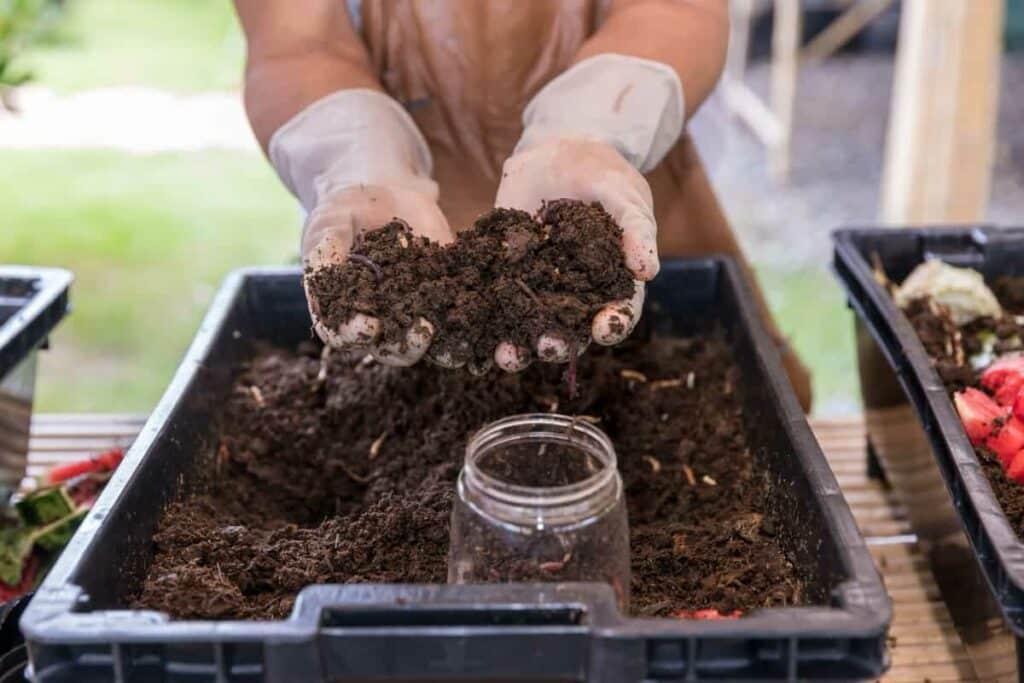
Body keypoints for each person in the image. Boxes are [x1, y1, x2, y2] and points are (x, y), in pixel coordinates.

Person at [232, 0, 812, 410]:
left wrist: (588, 131)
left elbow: (675, 10)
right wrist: (356, 159)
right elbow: (297, 43)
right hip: (386, 202)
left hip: (613, 174)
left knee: (735, 401)